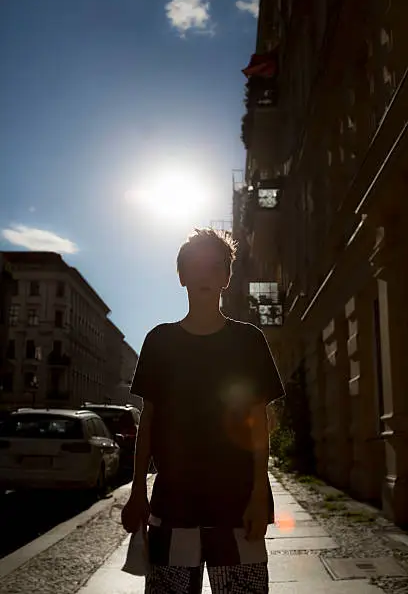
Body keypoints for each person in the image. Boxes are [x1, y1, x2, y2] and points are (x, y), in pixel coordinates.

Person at [122, 228, 284, 594]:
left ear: (227, 277)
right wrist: (137, 492)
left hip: (238, 505)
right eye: (195, 266)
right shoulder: (160, 341)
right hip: (173, 503)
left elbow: (258, 424)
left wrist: (261, 493)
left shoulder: (248, 341)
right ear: (181, 276)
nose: (204, 275)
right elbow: (148, 421)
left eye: (215, 267)